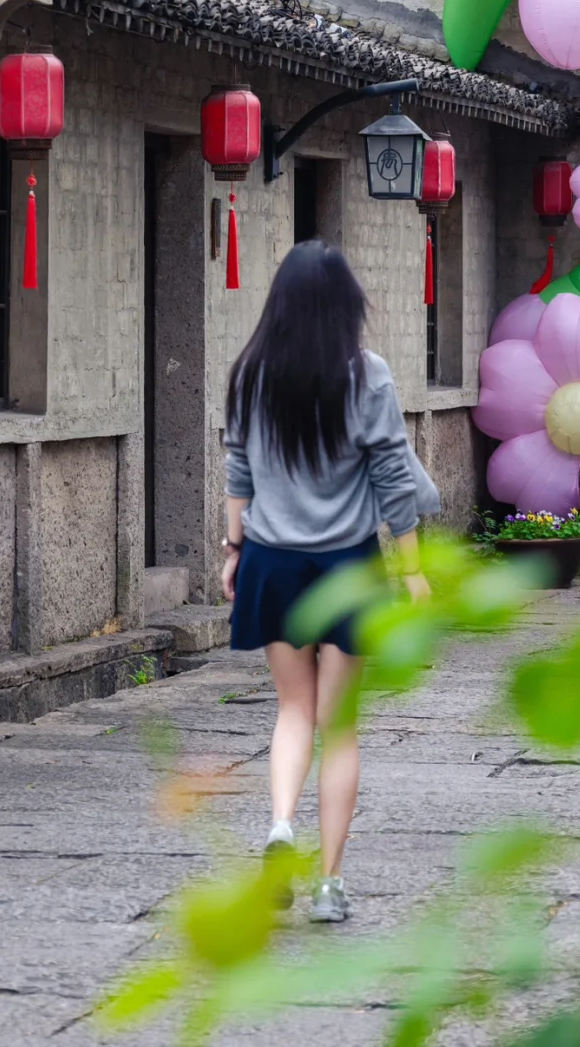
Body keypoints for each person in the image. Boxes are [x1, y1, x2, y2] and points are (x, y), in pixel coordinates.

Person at [221, 239, 433, 924]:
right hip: (345, 567)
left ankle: (281, 826)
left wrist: (233, 548)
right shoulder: (366, 375)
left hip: (272, 561)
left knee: (292, 712)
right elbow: (394, 480)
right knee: (338, 727)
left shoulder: (251, 373)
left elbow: (238, 470)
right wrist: (414, 571)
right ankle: (329, 886)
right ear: (348, 306)